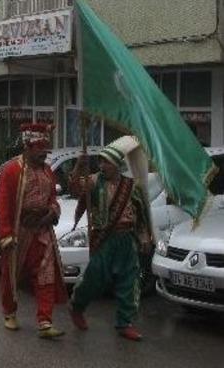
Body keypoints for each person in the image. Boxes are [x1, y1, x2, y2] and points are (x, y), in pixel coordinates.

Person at [68, 136, 153, 341]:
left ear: (117, 164)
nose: (102, 165)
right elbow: (74, 189)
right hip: (104, 239)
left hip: (126, 240)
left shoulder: (131, 186)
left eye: (107, 162)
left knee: (129, 281)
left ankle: (125, 323)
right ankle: (76, 307)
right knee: (93, 279)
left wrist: (143, 237)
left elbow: (141, 215)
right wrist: (80, 165)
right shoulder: (94, 181)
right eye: (101, 161)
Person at [0, 123, 67, 338]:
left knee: (46, 276)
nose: (44, 155)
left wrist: (53, 212)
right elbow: (3, 204)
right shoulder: (11, 171)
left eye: (46, 151)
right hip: (19, 232)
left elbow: (54, 199)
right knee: (12, 275)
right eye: (40, 151)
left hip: (43, 232)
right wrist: (6, 234)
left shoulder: (47, 171)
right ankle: (9, 312)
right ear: (27, 148)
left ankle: (45, 321)